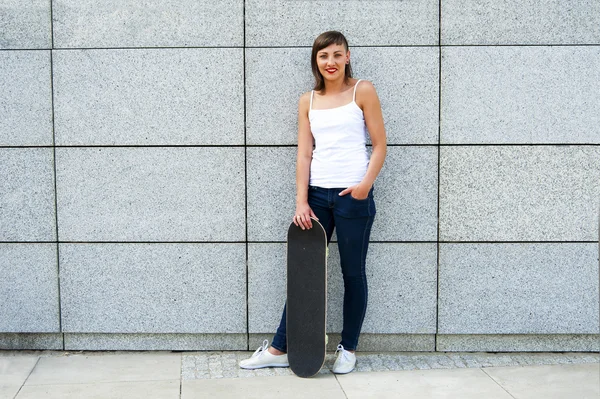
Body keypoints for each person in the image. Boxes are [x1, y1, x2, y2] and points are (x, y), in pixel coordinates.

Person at [240, 31, 386, 374]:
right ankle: (280, 348)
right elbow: (304, 153)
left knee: (353, 274)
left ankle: (348, 348)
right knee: (304, 275)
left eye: (337, 55)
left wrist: (364, 186)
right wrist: (301, 202)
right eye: (324, 56)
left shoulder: (362, 90)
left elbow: (379, 145)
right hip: (317, 196)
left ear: (348, 56)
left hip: (353, 196)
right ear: (316, 60)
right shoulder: (307, 100)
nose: (331, 62)